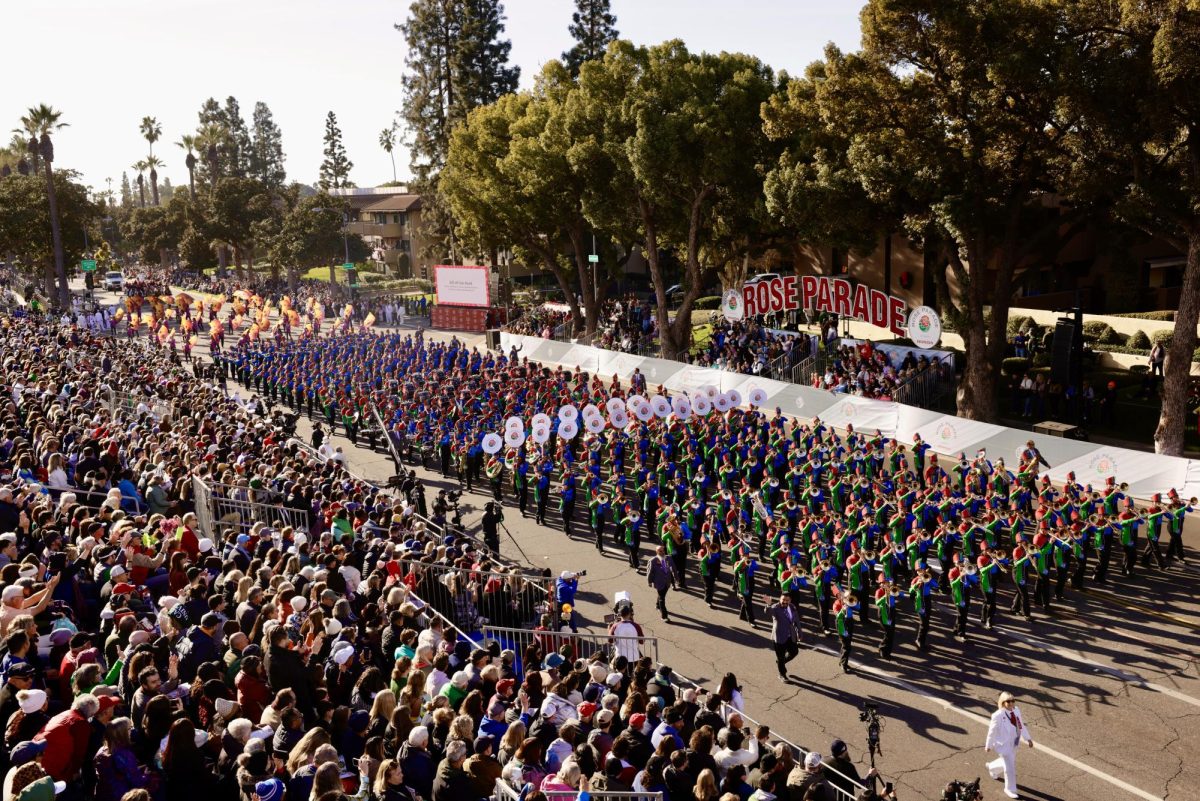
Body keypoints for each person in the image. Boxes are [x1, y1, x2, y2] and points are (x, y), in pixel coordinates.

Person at [984, 691, 1033, 800]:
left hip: (1014, 743)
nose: (1011, 703)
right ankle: (1009, 789)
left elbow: (1021, 725)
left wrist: (1028, 738)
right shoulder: (998, 715)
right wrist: (988, 745)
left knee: (1007, 762)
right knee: (1009, 767)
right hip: (1004, 745)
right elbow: (992, 731)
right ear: (1002, 702)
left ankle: (992, 767)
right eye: (1008, 701)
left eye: (1013, 701)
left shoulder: (1016, 710)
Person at [764, 594, 802, 682]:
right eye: (783, 599)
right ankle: (782, 674)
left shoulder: (792, 607)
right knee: (780, 657)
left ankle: (781, 663)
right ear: (779, 599)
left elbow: (796, 620)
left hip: (790, 636)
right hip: (779, 637)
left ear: (790, 600)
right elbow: (768, 611)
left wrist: (799, 633)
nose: (784, 602)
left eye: (787, 600)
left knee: (794, 652)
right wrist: (768, 604)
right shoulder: (775, 608)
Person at [646, 546, 676, 623]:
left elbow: (674, 568)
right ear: (657, 552)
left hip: (667, 582)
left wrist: (676, 578)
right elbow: (650, 572)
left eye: (663, 551)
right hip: (659, 582)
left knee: (662, 595)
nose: (662, 552)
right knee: (662, 599)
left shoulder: (668, 558)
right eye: (660, 551)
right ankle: (664, 616)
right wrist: (649, 581)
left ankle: (657, 605)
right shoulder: (653, 561)